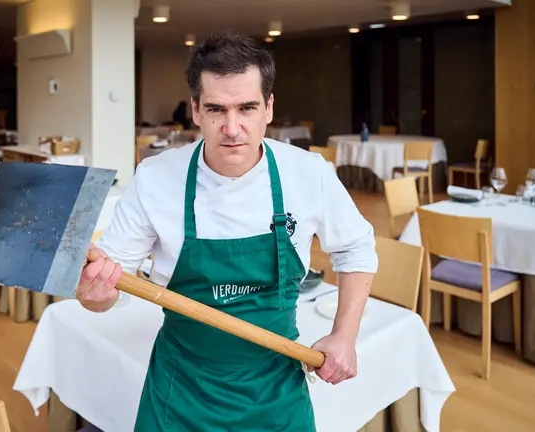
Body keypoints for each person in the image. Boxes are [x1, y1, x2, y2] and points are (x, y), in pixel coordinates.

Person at [77, 31, 378, 431]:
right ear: (196, 110)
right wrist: (94, 296)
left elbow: (356, 249)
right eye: (216, 109)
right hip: (181, 387)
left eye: (247, 108)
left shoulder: (308, 173)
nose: (232, 128)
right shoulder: (155, 178)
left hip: (277, 387)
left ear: (269, 108)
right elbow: (109, 287)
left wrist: (344, 334)